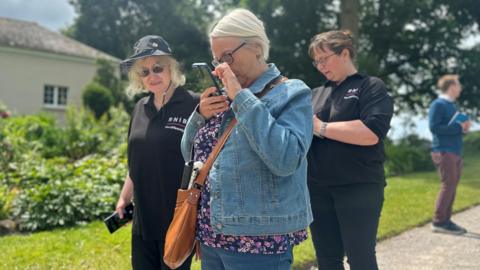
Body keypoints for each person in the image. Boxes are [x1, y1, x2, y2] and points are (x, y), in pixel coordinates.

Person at [180, 8, 313, 270]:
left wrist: (241, 98)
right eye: (217, 59)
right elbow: (189, 157)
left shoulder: (292, 92)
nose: (222, 67)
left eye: (228, 56)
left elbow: (286, 159)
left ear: (255, 47)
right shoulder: (224, 97)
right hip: (211, 235)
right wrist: (199, 117)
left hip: (257, 240)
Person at [307, 30, 394, 270]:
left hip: (359, 187)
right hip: (317, 189)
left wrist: (321, 127)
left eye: (325, 58)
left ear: (345, 53)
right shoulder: (315, 94)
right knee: (327, 259)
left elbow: (370, 133)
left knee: (360, 258)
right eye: (317, 61)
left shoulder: (370, 87)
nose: (320, 66)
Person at [116, 35, 198, 270]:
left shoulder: (194, 105)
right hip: (143, 221)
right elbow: (137, 161)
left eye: (158, 68)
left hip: (178, 221)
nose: (152, 76)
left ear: (171, 67)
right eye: (144, 72)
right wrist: (124, 197)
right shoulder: (140, 108)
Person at [429, 74, 471, 234]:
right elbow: (434, 127)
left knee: (452, 185)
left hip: (455, 151)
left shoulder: (452, 106)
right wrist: (459, 128)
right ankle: (438, 221)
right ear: (452, 86)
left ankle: (446, 220)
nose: (460, 88)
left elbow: (454, 128)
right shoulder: (438, 104)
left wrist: (464, 128)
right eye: (458, 84)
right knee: (448, 185)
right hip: (443, 150)